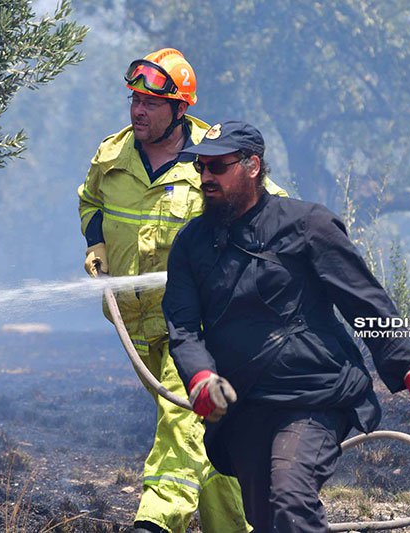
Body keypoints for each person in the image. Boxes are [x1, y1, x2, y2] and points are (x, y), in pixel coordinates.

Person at [162, 121, 410, 532]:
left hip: (315, 394)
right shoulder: (190, 243)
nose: (205, 178)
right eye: (201, 168)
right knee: (265, 519)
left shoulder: (308, 226)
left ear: (252, 166)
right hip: (245, 403)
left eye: (217, 167)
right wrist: (200, 378)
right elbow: (181, 327)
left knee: (292, 497)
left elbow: (366, 305)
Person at [77, 51, 286, 533]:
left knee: (179, 417)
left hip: (203, 323)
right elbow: (89, 201)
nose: (138, 111)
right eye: (134, 99)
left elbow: (273, 211)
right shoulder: (111, 157)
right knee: (207, 435)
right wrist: (97, 243)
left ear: (180, 110)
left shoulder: (215, 159)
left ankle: (155, 519)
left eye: (151, 102)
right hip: (138, 322)